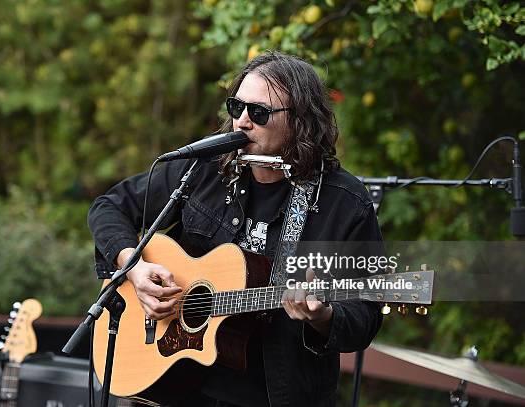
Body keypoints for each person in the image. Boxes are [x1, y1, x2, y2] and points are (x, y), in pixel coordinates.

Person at [88, 51, 383, 407]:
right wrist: (134, 267)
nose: (242, 122)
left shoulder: (343, 202)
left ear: (301, 121)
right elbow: (110, 207)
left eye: (259, 113)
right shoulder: (203, 170)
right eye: (236, 107)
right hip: (177, 386)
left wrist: (323, 316)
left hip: (277, 395)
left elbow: (364, 314)